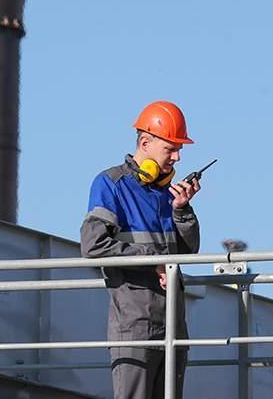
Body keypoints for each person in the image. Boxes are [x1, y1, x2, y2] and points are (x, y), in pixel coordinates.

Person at [80, 101, 201, 399]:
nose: (177, 157)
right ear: (145, 143)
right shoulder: (111, 184)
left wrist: (182, 210)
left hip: (173, 324)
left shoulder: (167, 192)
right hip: (134, 325)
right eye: (170, 149)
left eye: (179, 149)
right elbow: (93, 246)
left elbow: (188, 252)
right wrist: (153, 261)